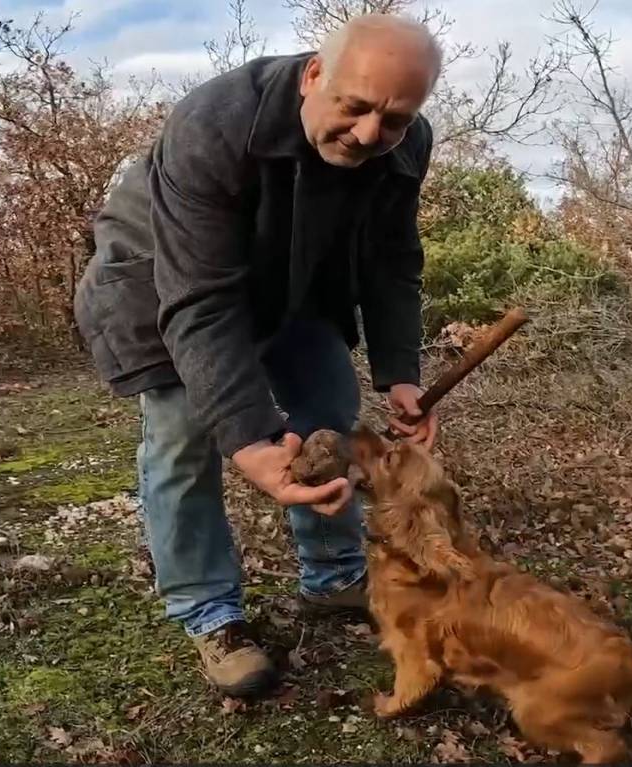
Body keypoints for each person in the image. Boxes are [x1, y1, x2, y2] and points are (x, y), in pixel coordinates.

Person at [74, 13, 442, 698]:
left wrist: (399, 372)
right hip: (164, 279)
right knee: (186, 437)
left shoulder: (406, 142)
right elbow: (202, 301)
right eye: (355, 107)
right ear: (312, 77)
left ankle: (333, 575)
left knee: (331, 405)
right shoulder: (214, 124)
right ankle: (210, 612)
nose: (369, 135)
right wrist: (249, 437)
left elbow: (393, 261)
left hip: (294, 280)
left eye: (392, 120)